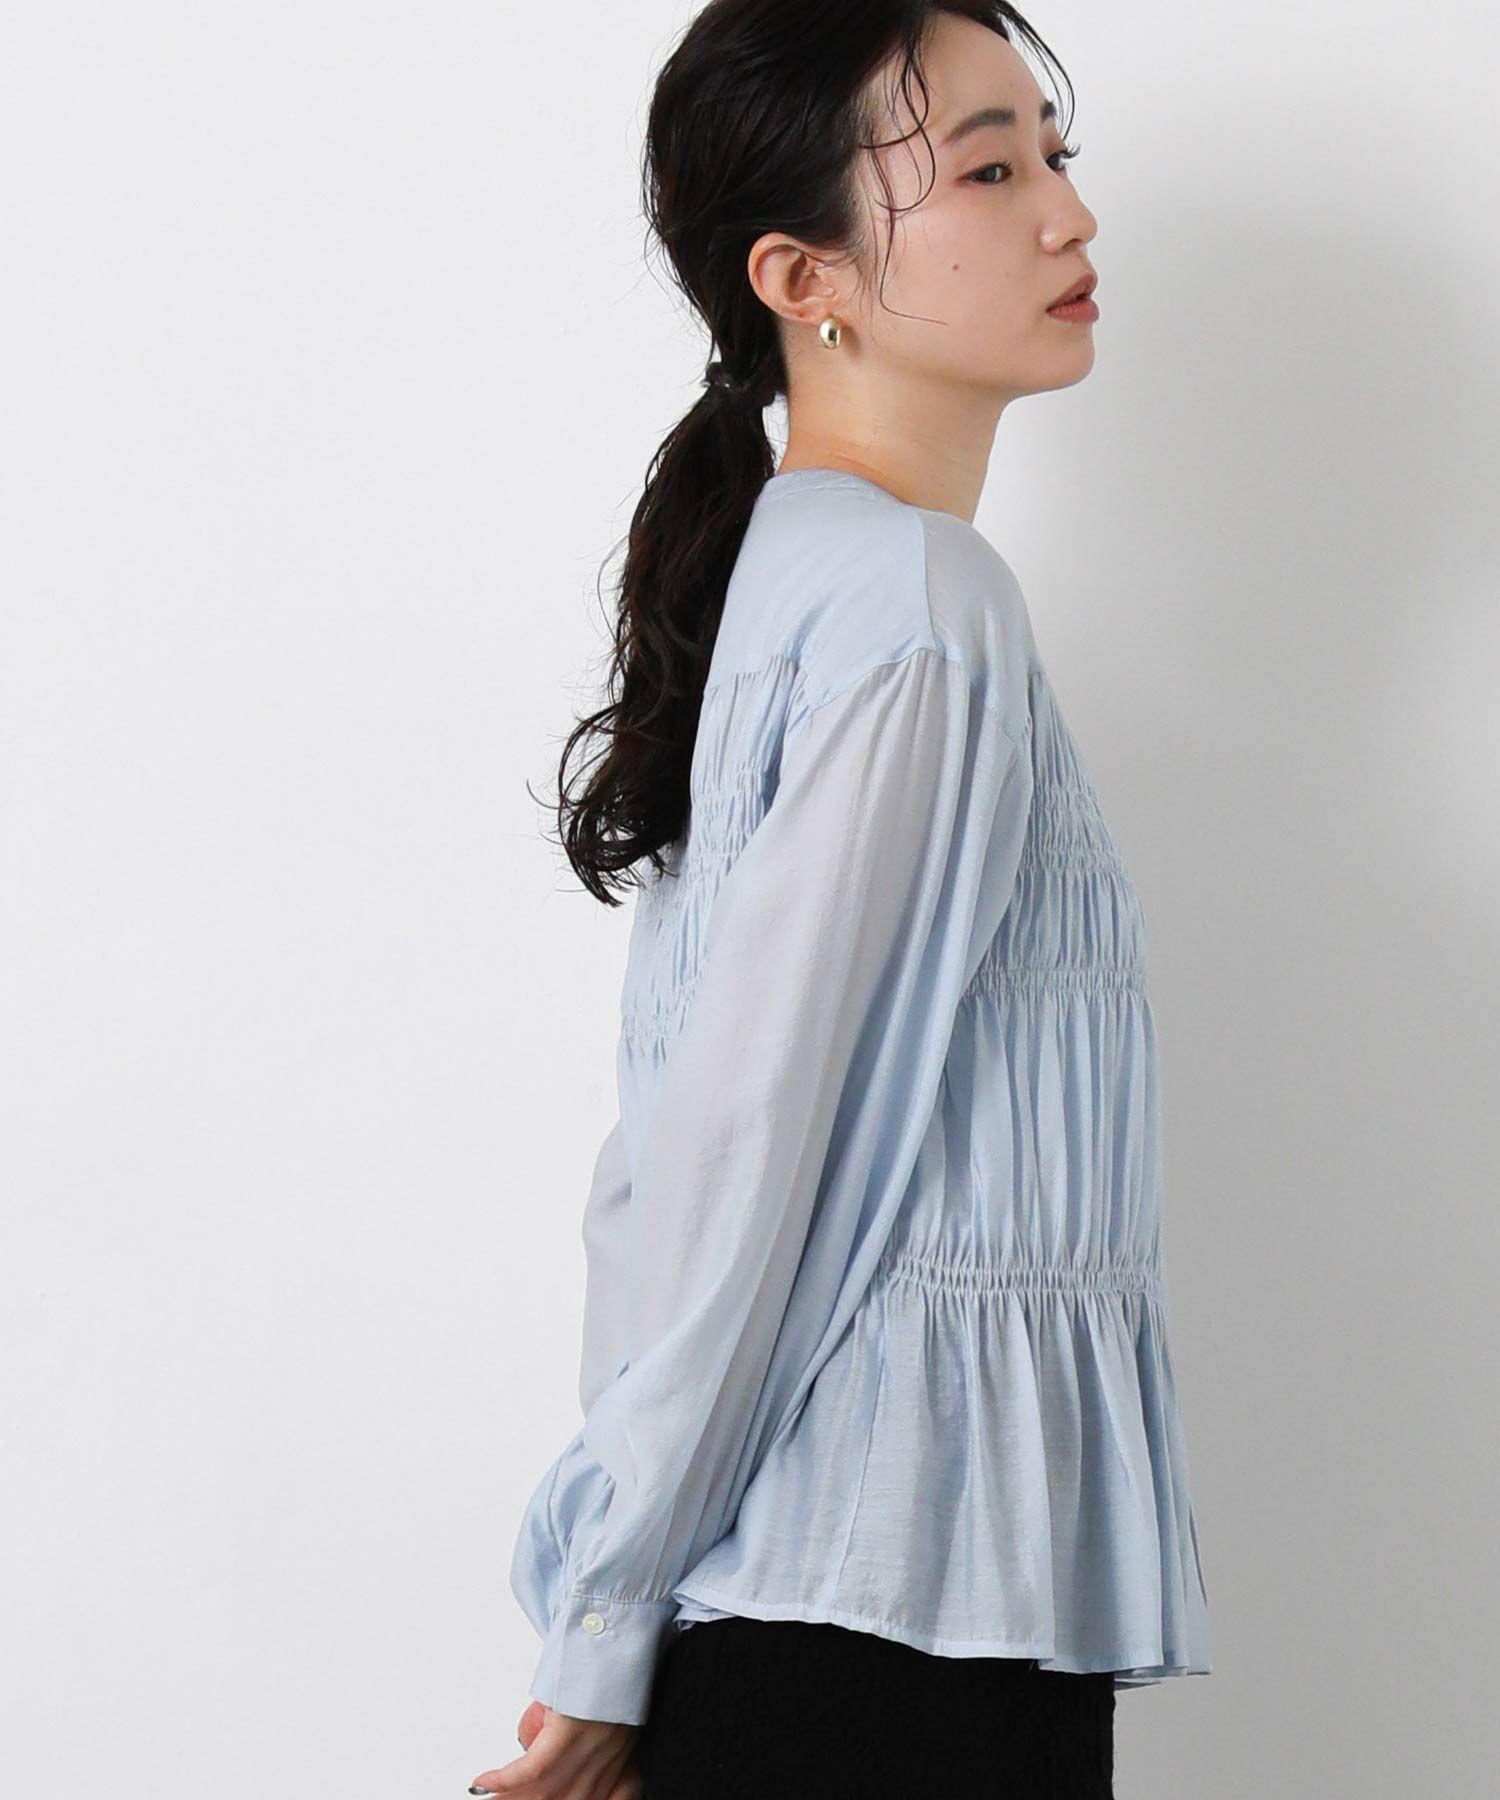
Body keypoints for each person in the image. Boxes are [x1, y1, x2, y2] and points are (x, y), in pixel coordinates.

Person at [472, 3, 1211, 1795]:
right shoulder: (920, 603)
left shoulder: (802, 577)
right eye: (988, 170)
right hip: (889, 1633)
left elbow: (665, 1157)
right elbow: (742, 1142)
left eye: (1055, 156)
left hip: (824, 1614)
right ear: (804, 279)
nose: (1069, 215)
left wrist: (626, 1592)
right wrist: (614, 1608)